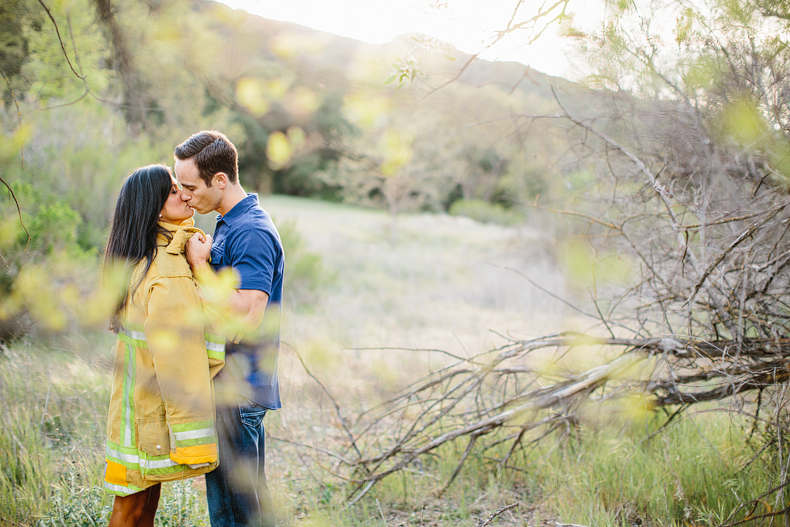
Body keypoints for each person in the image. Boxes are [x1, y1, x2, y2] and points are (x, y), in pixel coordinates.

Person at [102, 164, 225, 526]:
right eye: (174, 191)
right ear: (155, 208)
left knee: (142, 504)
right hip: (150, 407)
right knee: (132, 507)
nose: (185, 195)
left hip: (131, 402)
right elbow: (182, 353)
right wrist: (193, 434)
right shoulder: (167, 267)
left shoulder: (141, 256)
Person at [174, 130, 284, 527]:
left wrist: (201, 266)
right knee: (229, 504)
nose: (185, 196)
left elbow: (248, 314)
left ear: (220, 180)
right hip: (225, 383)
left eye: (190, 187)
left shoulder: (250, 230)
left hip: (241, 387)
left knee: (244, 509)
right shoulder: (228, 222)